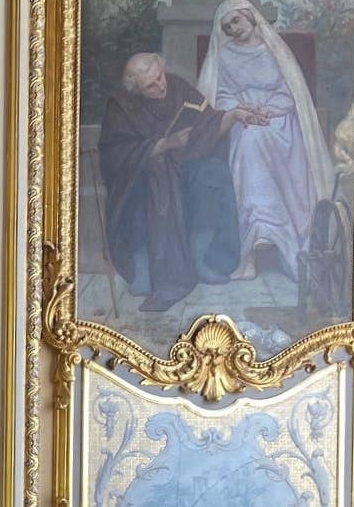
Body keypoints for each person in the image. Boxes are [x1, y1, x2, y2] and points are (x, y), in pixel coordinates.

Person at [96, 51, 254, 313]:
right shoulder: (121, 106)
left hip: (183, 166)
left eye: (160, 77)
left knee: (213, 173)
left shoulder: (178, 86)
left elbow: (209, 122)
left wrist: (235, 115)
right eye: (151, 85)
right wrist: (163, 145)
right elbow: (114, 155)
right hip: (143, 173)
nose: (161, 86)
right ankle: (144, 267)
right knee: (146, 185)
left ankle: (200, 259)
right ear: (136, 89)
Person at [196, 0, 332, 282]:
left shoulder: (275, 51)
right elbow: (220, 95)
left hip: (280, 123)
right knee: (249, 143)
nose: (233, 28)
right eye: (227, 25)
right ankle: (250, 251)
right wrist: (241, 112)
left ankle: (291, 252)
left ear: (250, 17)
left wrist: (268, 111)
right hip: (243, 123)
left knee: (258, 141)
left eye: (236, 20)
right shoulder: (225, 55)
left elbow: (290, 92)